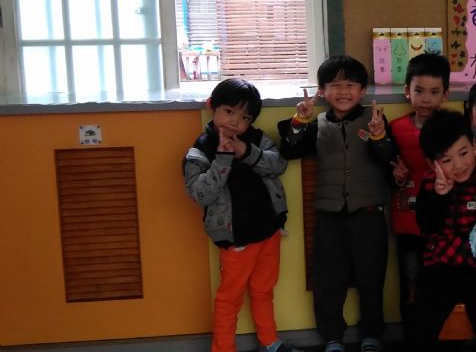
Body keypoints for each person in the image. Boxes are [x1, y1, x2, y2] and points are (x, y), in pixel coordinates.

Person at [278, 55, 395, 352]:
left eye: (351, 85)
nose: (343, 91)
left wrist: (379, 137)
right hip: (329, 214)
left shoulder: (374, 119)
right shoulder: (316, 123)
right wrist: (299, 121)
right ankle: (332, 337)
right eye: (335, 85)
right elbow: (289, 151)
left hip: (369, 213)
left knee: (371, 277)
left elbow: (388, 158)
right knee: (328, 279)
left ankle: (372, 334)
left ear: (363, 90)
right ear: (322, 91)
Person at [182, 78, 299, 352]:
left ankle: (270, 342)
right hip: (235, 238)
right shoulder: (200, 150)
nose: (235, 122)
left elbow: (279, 164)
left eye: (244, 117)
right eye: (229, 111)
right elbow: (200, 194)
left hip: (268, 229)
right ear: (211, 107)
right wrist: (223, 159)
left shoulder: (257, 139)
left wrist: (246, 152)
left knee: (263, 290)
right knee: (229, 298)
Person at [407, 109, 476, 351]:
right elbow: (427, 227)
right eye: (446, 160)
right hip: (442, 266)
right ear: (432, 164)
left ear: (474, 145)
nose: (458, 165)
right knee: (420, 325)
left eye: (464, 153)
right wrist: (439, 196)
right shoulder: (430, 184)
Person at [389, 53, 451, 323]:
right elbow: (386, 171)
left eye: (434, 92)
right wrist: (398, 176)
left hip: (445, 225)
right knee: (411, 284)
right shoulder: (396, 129)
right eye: (419, 91)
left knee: (442, 285)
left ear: (445, 94)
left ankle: (444, 337)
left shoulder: (452, 129)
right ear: (407, 91)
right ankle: (412, 336)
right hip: (408, 223)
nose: (426, 99)